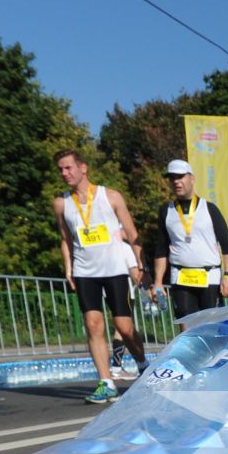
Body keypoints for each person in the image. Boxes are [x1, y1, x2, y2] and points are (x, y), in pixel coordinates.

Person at [53, 148, 145, 404]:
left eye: (68, 167)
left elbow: (131, 230)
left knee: (123, 327)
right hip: (85, 271)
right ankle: (106, 383)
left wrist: (140, 264)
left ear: (83, 168)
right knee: (93, 325)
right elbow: (65, 239)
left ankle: (143, 364)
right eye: (60, 169)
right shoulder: (62, 203)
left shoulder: (111, 196)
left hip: (115, 269)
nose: (64, 173)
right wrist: (68, 267)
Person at [151, 159, 228, 320]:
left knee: (211, 326)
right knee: (186, 325)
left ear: (192, 178)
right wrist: (158, 282)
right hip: (180, 275)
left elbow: (227, 247)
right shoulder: (165, 211)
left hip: (209, 276)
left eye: (180, 176)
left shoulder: (210, 209)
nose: (176, 181)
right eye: (172, 178)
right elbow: (161, 249)